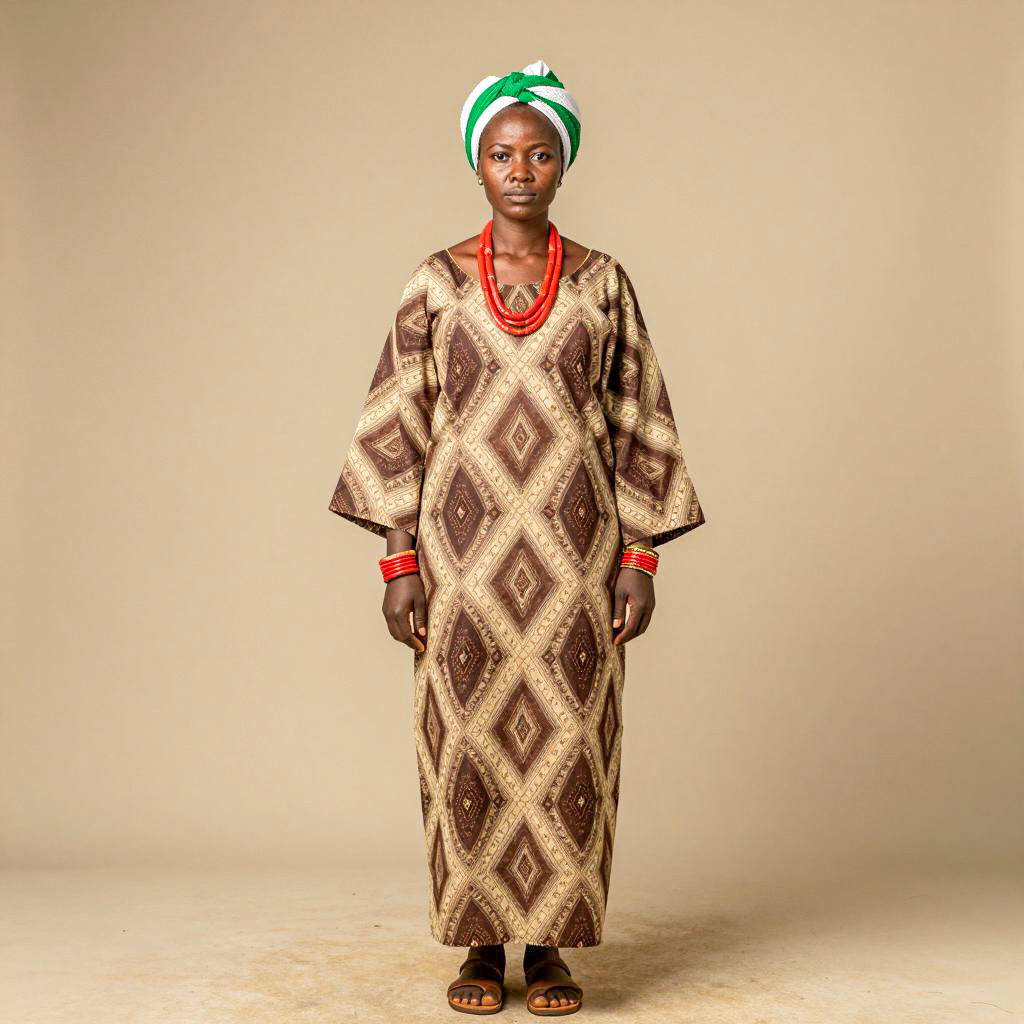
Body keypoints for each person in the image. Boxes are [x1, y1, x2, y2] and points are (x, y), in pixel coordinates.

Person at [328, 59, 706, 1016]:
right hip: (461, 565)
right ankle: (478, 945)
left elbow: (639, 420)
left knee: (570, 744)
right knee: (465, 741)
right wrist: (399, 563)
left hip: (576, 562)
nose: (521, 170)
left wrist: (640, 558)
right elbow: (397, 424)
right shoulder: (434, 284)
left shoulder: (603, 284)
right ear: (477, 164)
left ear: (564, 164)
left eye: (539, 154)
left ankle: (549, 954)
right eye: (502, 154)